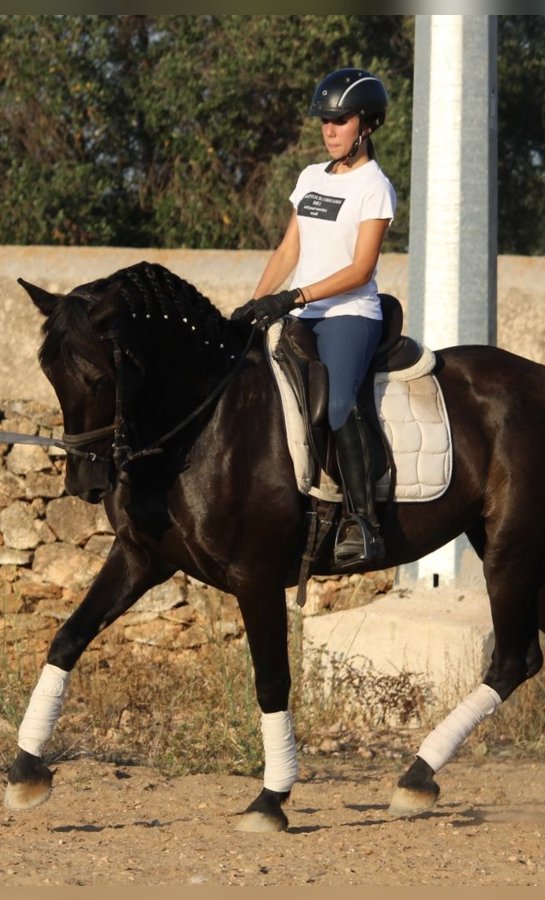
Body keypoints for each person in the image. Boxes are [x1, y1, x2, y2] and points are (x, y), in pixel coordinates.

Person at [232, 67, 395, 570]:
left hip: (350, 313)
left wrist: (296, 296)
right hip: (300, 308)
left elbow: (361, 268)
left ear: (364, 125)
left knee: (339, 404)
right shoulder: (309, 178)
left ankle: (362, 522)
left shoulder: (375, 187)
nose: (329, 129)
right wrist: (255, 304)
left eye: (339, 120)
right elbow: (288, 249)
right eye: (324, 121)